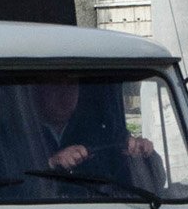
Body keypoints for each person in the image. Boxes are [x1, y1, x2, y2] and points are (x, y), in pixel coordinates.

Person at [28, 77, 156, 180]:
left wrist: (144, 152)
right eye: (56, 85)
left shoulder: (101, 133)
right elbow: (14, 178)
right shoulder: (21, 134)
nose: (65, 94)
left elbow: (153, 181)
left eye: (71, 84)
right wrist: (51, 163)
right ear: (37, 89)